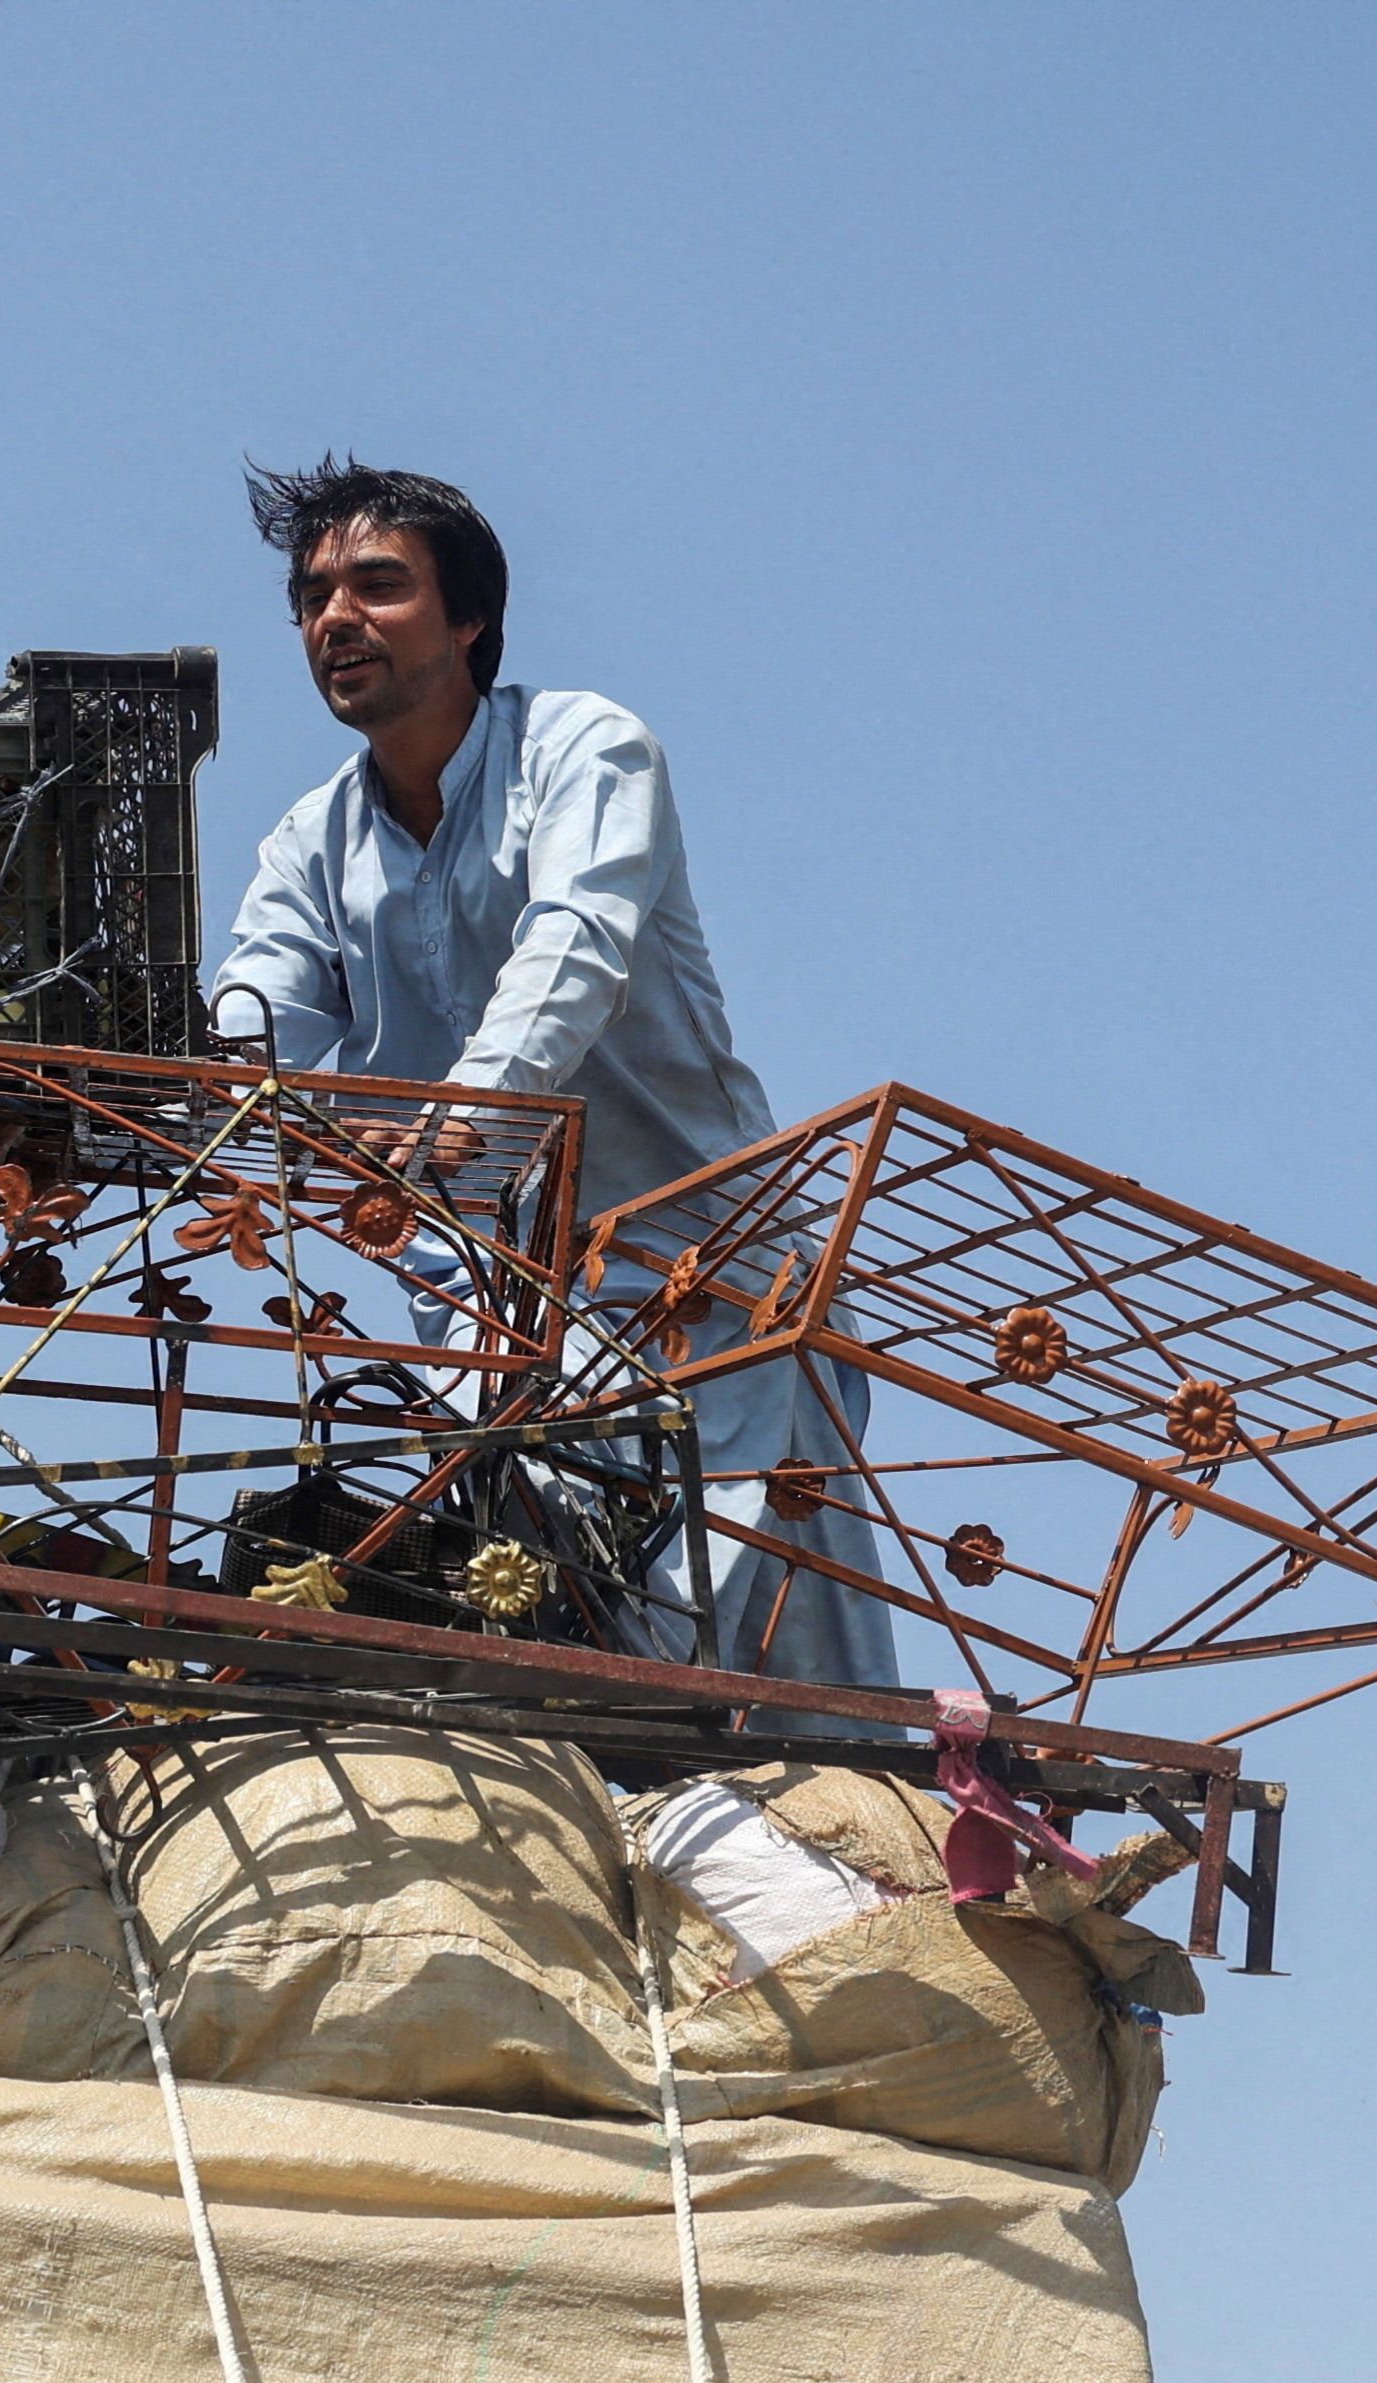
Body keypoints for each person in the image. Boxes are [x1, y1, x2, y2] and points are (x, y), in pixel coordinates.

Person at [208, 456, 895, 1692]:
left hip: (710, 1285)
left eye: (378, 585)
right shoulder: (310, 843)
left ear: (470, 618)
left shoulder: (584, 749)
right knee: (552, 1648)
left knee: (802, 1694)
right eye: (313, 597)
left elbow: (574, 950)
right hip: (494, 1316)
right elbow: (256, 1027)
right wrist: (218, 1093)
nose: (335, 619)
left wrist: (463, 1117)